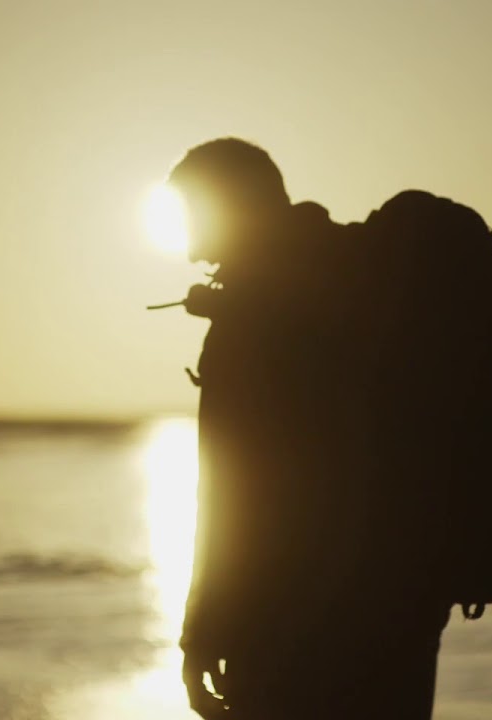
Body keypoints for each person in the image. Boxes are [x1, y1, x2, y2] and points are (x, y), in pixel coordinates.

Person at [166, 138, 455, 719]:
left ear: (229, 207)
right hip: (402, 607)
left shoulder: (251, 316)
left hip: (289, 626)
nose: (186, 237)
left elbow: (234, 493)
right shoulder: (361, 283)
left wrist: (201, 631)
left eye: (190, 212)